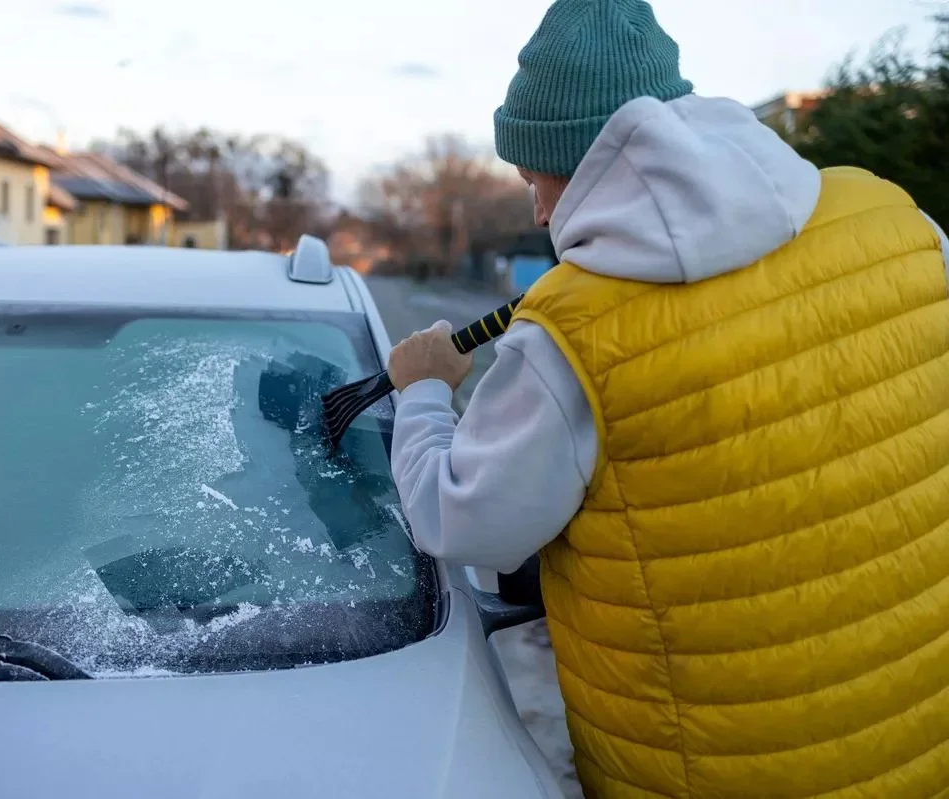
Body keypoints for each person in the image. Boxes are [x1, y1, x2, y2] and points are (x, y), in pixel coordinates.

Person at [385, 1, 949, 797]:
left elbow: (462, 519)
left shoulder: (572, 333)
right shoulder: (901, 223)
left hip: (718, 768)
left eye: (534, 176)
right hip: (921, 735)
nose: (538, 210)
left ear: (578, 162)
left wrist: (424, 394)